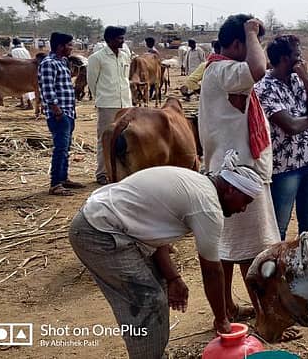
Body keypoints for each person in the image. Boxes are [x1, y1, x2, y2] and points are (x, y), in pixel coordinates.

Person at [69, 150, 262, 358]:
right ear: (231, 190)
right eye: (245, 201)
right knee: (148, 301)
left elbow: (155, 229)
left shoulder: (197, 183)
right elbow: (212, 271)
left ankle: (153, 352)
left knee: (158, 287)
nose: (243, 209)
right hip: (97, 231)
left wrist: (173, 278)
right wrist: (222, 319)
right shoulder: (208, 208)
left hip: (107, 222)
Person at [198, 14, 278, 320]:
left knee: (228, 247)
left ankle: (228, 310)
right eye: (250, 44)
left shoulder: (220, 71)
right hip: (237, 179)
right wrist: (251, 32)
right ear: (236, 44)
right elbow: (259, 69)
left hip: (231, 174)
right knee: (250, 250)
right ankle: (263, 316)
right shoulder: (223, 70)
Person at [254, 35, 308, 241]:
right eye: (297, 54)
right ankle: (277, 270)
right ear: (285, 59)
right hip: (285, 168)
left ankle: (305, 269)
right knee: (280, 228)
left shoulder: (301, 78)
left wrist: (306, 79)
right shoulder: (264, 87)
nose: (301, 59)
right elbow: (291, 126)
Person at [39, 33, 85, 196]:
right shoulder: (48, 64)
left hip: (68, 111)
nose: (71, 48)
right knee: (60, 148)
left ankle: (63, 178)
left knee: (65, 147)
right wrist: (56, 110)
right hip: (60, 113)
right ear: (60, 46)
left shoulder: (63, 62)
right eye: (70, 45)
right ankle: (55, 184)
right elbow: (47, 89)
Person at [87, 26, 133, 185]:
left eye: (123, 38)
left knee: (125, 139)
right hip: (108, 105)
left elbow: (125, 79)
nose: (122, 41)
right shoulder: (97, 58)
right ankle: (102, 173)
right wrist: (101, 98)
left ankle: (121, 171)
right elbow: (92, 83)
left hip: (125, 104)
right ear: (110, 40)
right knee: (105, 139)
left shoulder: (125, 56)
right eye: (120, 38)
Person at [10, 38, 35, 109]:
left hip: (18, 71)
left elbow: (11, 61)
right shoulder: (25, 50)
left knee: (22, 87)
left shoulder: (13, 51)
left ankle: (29, 104)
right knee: (22, 87)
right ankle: (22, 103)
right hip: (28, 69)